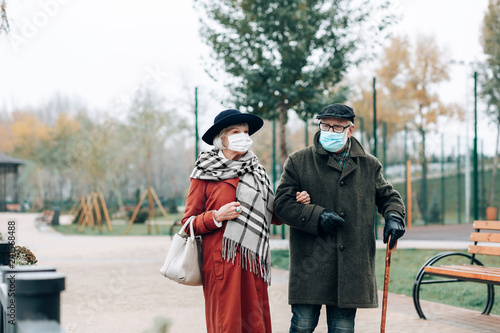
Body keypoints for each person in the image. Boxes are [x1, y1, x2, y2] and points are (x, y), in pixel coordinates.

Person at [274, 103, 406, 333]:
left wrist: (394, 216)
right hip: (310, 263)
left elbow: (388, 196)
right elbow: (281, 205)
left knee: (342, 328)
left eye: (337, 127)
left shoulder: (369, 164)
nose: (330, 131)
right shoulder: (298, 161)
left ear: (350, 130)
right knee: (303, 325)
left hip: (350, 266)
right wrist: (317, 215)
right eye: (325, 126)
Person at [181, 109, 309, 333]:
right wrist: (216, 216)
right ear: (222, 138)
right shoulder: (203, 172)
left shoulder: (257, 171)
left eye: (246, 131)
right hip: (222, 262)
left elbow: (273, 215)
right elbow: (187, 223)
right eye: (235, 131)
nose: (243, 135)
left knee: (255, 322)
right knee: (227, 323)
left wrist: (295, 202)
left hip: (252, 262)